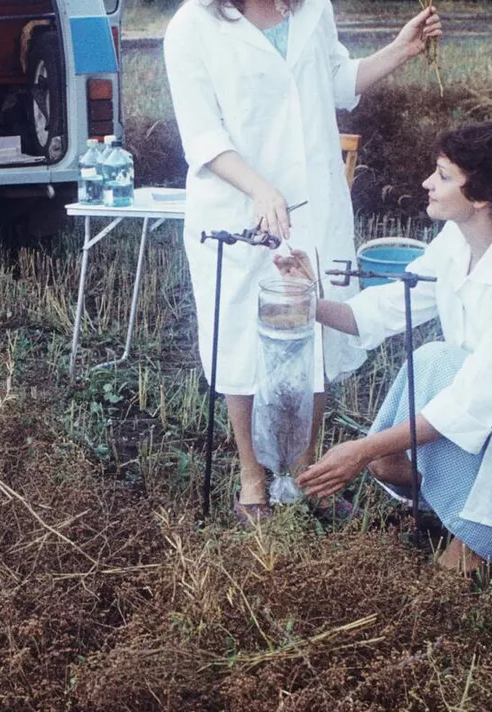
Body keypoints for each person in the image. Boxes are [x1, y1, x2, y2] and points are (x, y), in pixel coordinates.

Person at [164, 0, 441, 520]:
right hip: (240, 207)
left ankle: (307, 478)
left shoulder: (314, 9)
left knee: (313, 335)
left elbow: (338, 81)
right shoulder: (191, 27)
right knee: (243, 341)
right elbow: (202, 135)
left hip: (315, 207)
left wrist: (403, 48)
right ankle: (253, 482)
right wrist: (260, 188)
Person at [284, 122, 492, 571]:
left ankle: (483, 537)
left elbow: (476, 401)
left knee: (446, 370)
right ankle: (453, 511)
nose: (428, 183)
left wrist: (362, 448)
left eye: (444, 175)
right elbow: (385, 309)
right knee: (432, 368)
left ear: (483, 196)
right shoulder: (457, 241)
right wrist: (308, 302)